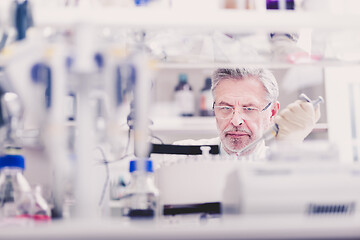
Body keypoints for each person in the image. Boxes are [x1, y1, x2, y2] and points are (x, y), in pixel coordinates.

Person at [173, 67, 321, 159]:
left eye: (249, 109)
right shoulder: (181, 156)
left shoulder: (282, 163)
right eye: (225, 108)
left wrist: (290, 146)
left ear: (271, 113)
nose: (236, 121)